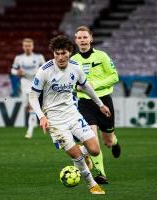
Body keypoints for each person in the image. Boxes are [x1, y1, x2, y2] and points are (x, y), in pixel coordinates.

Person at [29, 35, 111, 195]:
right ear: (53, 53)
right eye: (57, 53)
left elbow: (86, 86)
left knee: (94, 150)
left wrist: (100, 105)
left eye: (64, 53)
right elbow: (32, 95)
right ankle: (92, 184)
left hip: (73, 115)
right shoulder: (44, 71)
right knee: (76, 155)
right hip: (54, 120)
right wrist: (41, 116)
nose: (60, 57)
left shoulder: (76, 67)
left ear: (70, 52)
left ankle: (81, 150)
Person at [70, 25, 121, 184]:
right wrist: (78, 87)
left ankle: (115, 142)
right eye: (79, 38)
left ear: (90, 39)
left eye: (85, 37)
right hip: (85, 103)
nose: (83, 40)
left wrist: (93, 85)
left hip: (104, 101)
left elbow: (114, 77)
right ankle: (101, 174)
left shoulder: (102, 56)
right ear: (76, 40)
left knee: (107, 141)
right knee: (91, 139)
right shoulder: (73, 61)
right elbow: (69, 83)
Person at [11, 38, 45, 139]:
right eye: (25, 46)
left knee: (32, 107)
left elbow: (45, 68)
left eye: (29, 46)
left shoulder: (39, 57)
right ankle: (34, 121)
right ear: (23, 47)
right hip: (24, 84)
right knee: (27, 108)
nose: (27, 48)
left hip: (35, 83)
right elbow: (13, 69)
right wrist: (16, 73)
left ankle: (29, 132)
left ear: (32, 46)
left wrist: (39, 73)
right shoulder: (18, 58)